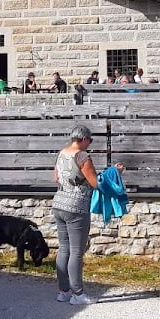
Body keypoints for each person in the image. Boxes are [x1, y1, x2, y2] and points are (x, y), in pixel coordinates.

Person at [52, 123, 100, 305]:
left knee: (64, 248)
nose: (90, 144)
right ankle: (78, 294)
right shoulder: (82, 156)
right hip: (77, 207)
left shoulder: (62, 153)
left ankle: (63, 292)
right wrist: (115, 173)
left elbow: (56, 178)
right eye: (90, 140)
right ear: (84, 139)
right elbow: (95, 183)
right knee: (76, 252)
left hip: (59, 204)